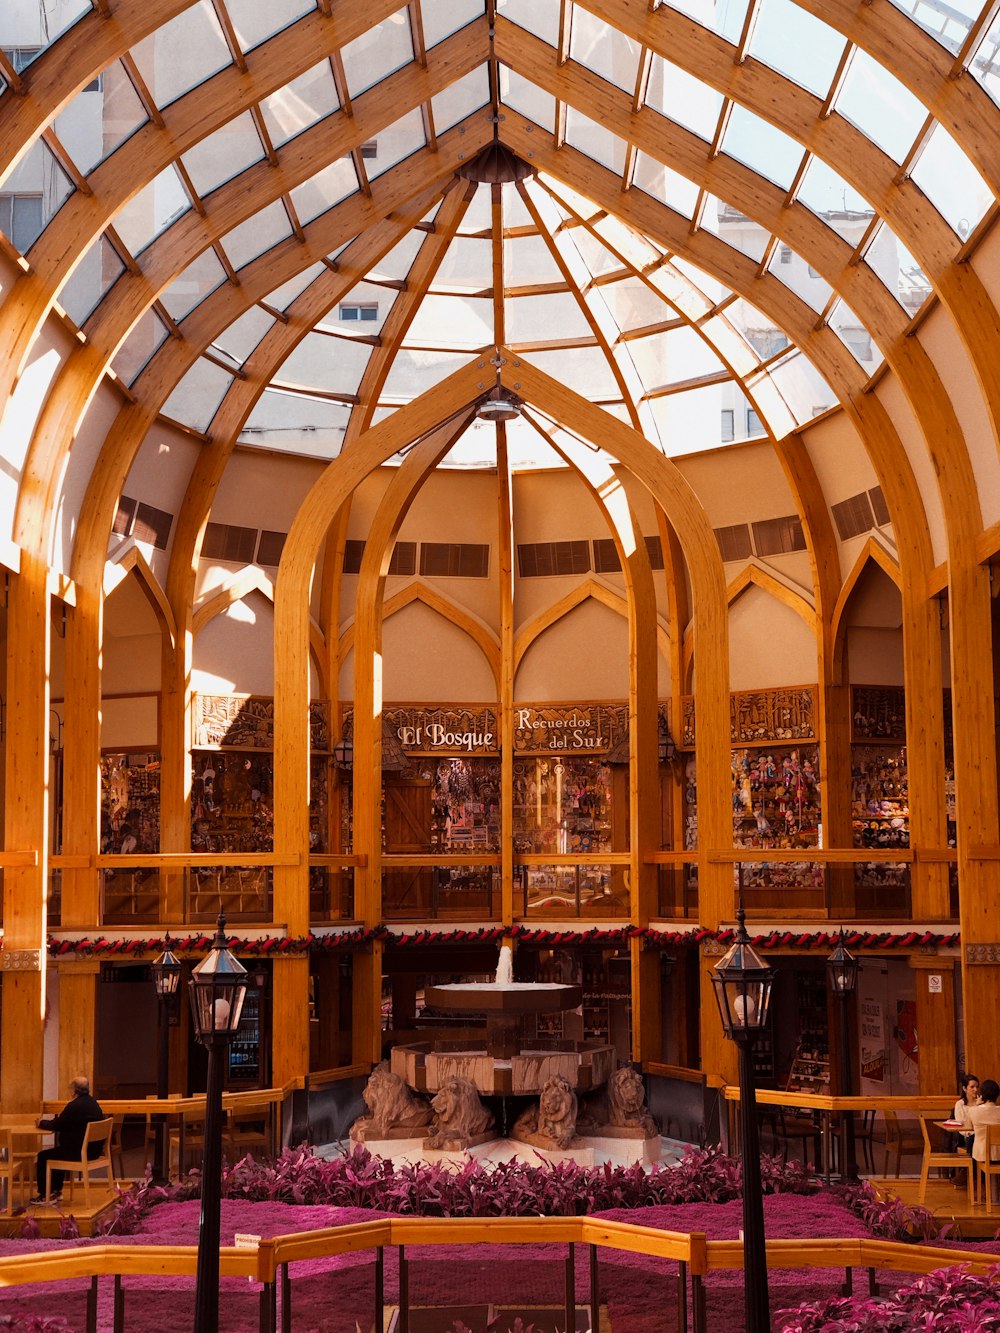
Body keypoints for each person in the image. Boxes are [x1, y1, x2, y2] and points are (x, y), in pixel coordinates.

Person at [31, 1076, 104, 1204]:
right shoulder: (93, 1103)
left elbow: (58, 1124)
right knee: (58, 1153)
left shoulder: (74, 1106)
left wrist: (41, 1123)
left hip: (80, 1152)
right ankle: (56, 1191)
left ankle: (45, 1195)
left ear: (74, 1090)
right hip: (94, 1151)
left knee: (43, 1156)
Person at [967, 1077, 1000, 1204]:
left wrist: (976, 1104)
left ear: (981, 1094)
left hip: (982, 1154)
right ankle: (996, 1196)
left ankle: (990, 1197)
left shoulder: (973, 1111)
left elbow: (969, 1127)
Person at [953, 1072, 981, 1154]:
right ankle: (974, 1166)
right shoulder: (960, 1104)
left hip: (981, 1135)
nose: (975, 1090)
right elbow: (961, 1127)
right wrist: (976, 1106)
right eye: (972, 1087)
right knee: (973, 1138)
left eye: (977, 1087)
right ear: (965, 1088)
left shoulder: (982, 1103)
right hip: (967, 1136)